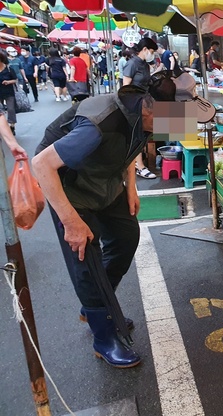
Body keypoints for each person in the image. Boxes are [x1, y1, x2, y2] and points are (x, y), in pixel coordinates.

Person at [32, 79, 176, 368]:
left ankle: (99, 305)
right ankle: (104, 337)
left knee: (126, 237)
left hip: (106, 180)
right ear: (149, 111)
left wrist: (131, 188)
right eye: (169, 118)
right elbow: (40, 164)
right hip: (69, 189)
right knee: (87, 261)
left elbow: (133, 146)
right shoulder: (99, 124)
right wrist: (71, 222)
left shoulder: (150, 114)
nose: (173, 124)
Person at [122, 37, 158, 179]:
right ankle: (139, 166)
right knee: (137, 136)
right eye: (152, 51)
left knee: (144, 135)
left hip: (146, 103)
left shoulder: (145, 64)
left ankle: (141, 162)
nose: (153, 54)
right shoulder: (132, 64)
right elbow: (125, 88)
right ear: (144, 49)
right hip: (134, 104)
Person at [0, 51, 19, 135]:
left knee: (11, 109)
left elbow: (15, 79)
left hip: (8, 92)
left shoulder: (9, 69)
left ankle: (12, 125)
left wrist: (8, 82)